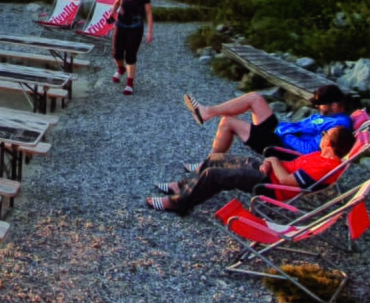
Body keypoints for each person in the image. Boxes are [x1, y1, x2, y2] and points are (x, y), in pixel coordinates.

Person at [146, 124, 351, 215]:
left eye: (325, 134)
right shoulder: (321, 155)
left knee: (214, 175)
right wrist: (270, 162)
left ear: (330, 145)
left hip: (272, 186)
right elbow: (287, 168)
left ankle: (178, 203)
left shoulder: (325, 166)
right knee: (217, 159)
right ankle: (182, 186)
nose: (322, 136)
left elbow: (288, 182)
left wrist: (272, 160)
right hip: (270, 172)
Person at [182, 83, 352, 163]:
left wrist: (284, 133)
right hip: (281, 134)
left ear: (335, 105)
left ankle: (206, 164)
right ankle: (207, 112)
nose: (317, 108)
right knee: (255, 98)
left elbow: (309, 151)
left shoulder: (337, 128)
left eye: (320, 105)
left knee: (228, 123)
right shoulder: (331, 117)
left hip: (286, 149)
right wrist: (284, 129)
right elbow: (302, 129)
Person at [109, 0, 153, 93]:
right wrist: (112, 13)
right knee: (116, 53)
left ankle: (129, 83)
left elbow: (149, 14)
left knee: (130, 55)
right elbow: (117, 2)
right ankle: (121, 69)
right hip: (120, 24)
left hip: (135, 28)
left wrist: (150, 32)